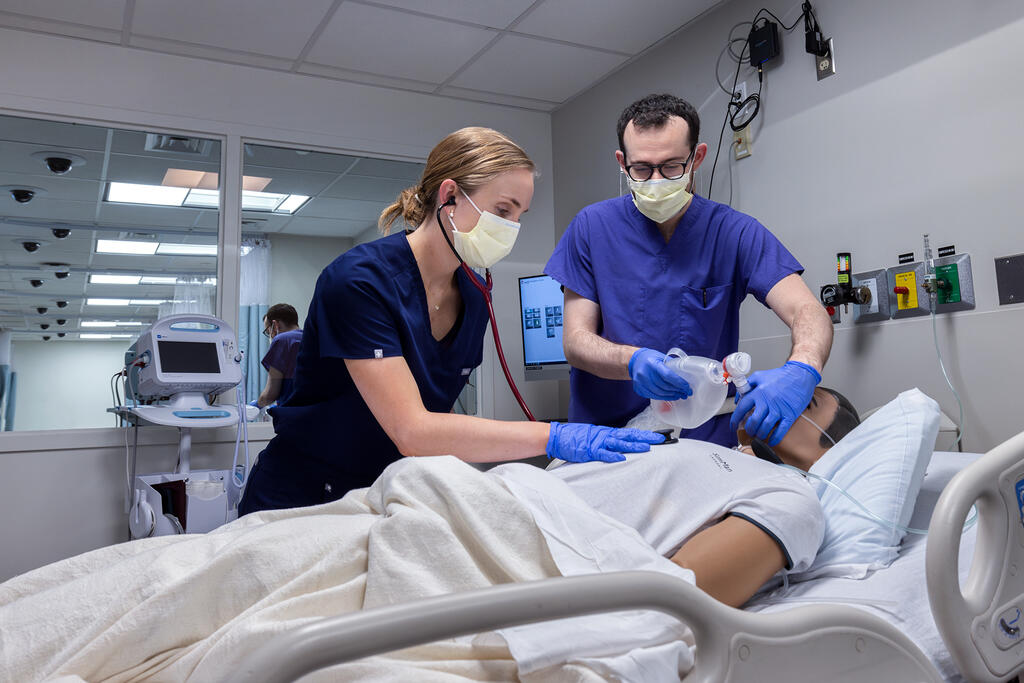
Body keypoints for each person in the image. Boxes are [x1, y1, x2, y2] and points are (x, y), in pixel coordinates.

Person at [239, 127, 664, 516]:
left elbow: (438, 429)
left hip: (383, 495)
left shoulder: (474, 298)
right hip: (300, 498)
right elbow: (413, 430)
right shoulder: (359, 282)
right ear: (449, 196)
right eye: (503, 209)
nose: (512, 227)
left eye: (520, 215)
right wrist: (553, 436)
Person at [545, 93, 834, 449]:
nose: (655, 181)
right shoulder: (591, 228)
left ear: (697, 157)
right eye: (641, 168)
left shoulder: (734, 233)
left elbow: (806, 309)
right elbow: (576, 341)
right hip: (606, 440)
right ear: (622, 163)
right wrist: (630, 360)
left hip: (701, 441)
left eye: (670, 167)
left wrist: (803, 367)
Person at [535, 385, 860, 607]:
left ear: (827, 454)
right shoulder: (719, 455)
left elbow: (677, 593)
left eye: (804, 401)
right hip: (520, 497)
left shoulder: (791, 497)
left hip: (540, 549)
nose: (777, 397)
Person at [255, 303, 303, 408]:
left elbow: (270, 394)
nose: (271, 336)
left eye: (269, 331)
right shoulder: (312, 339)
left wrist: (256, 405)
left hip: (291, 413)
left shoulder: (282, 340)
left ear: (275, 325)